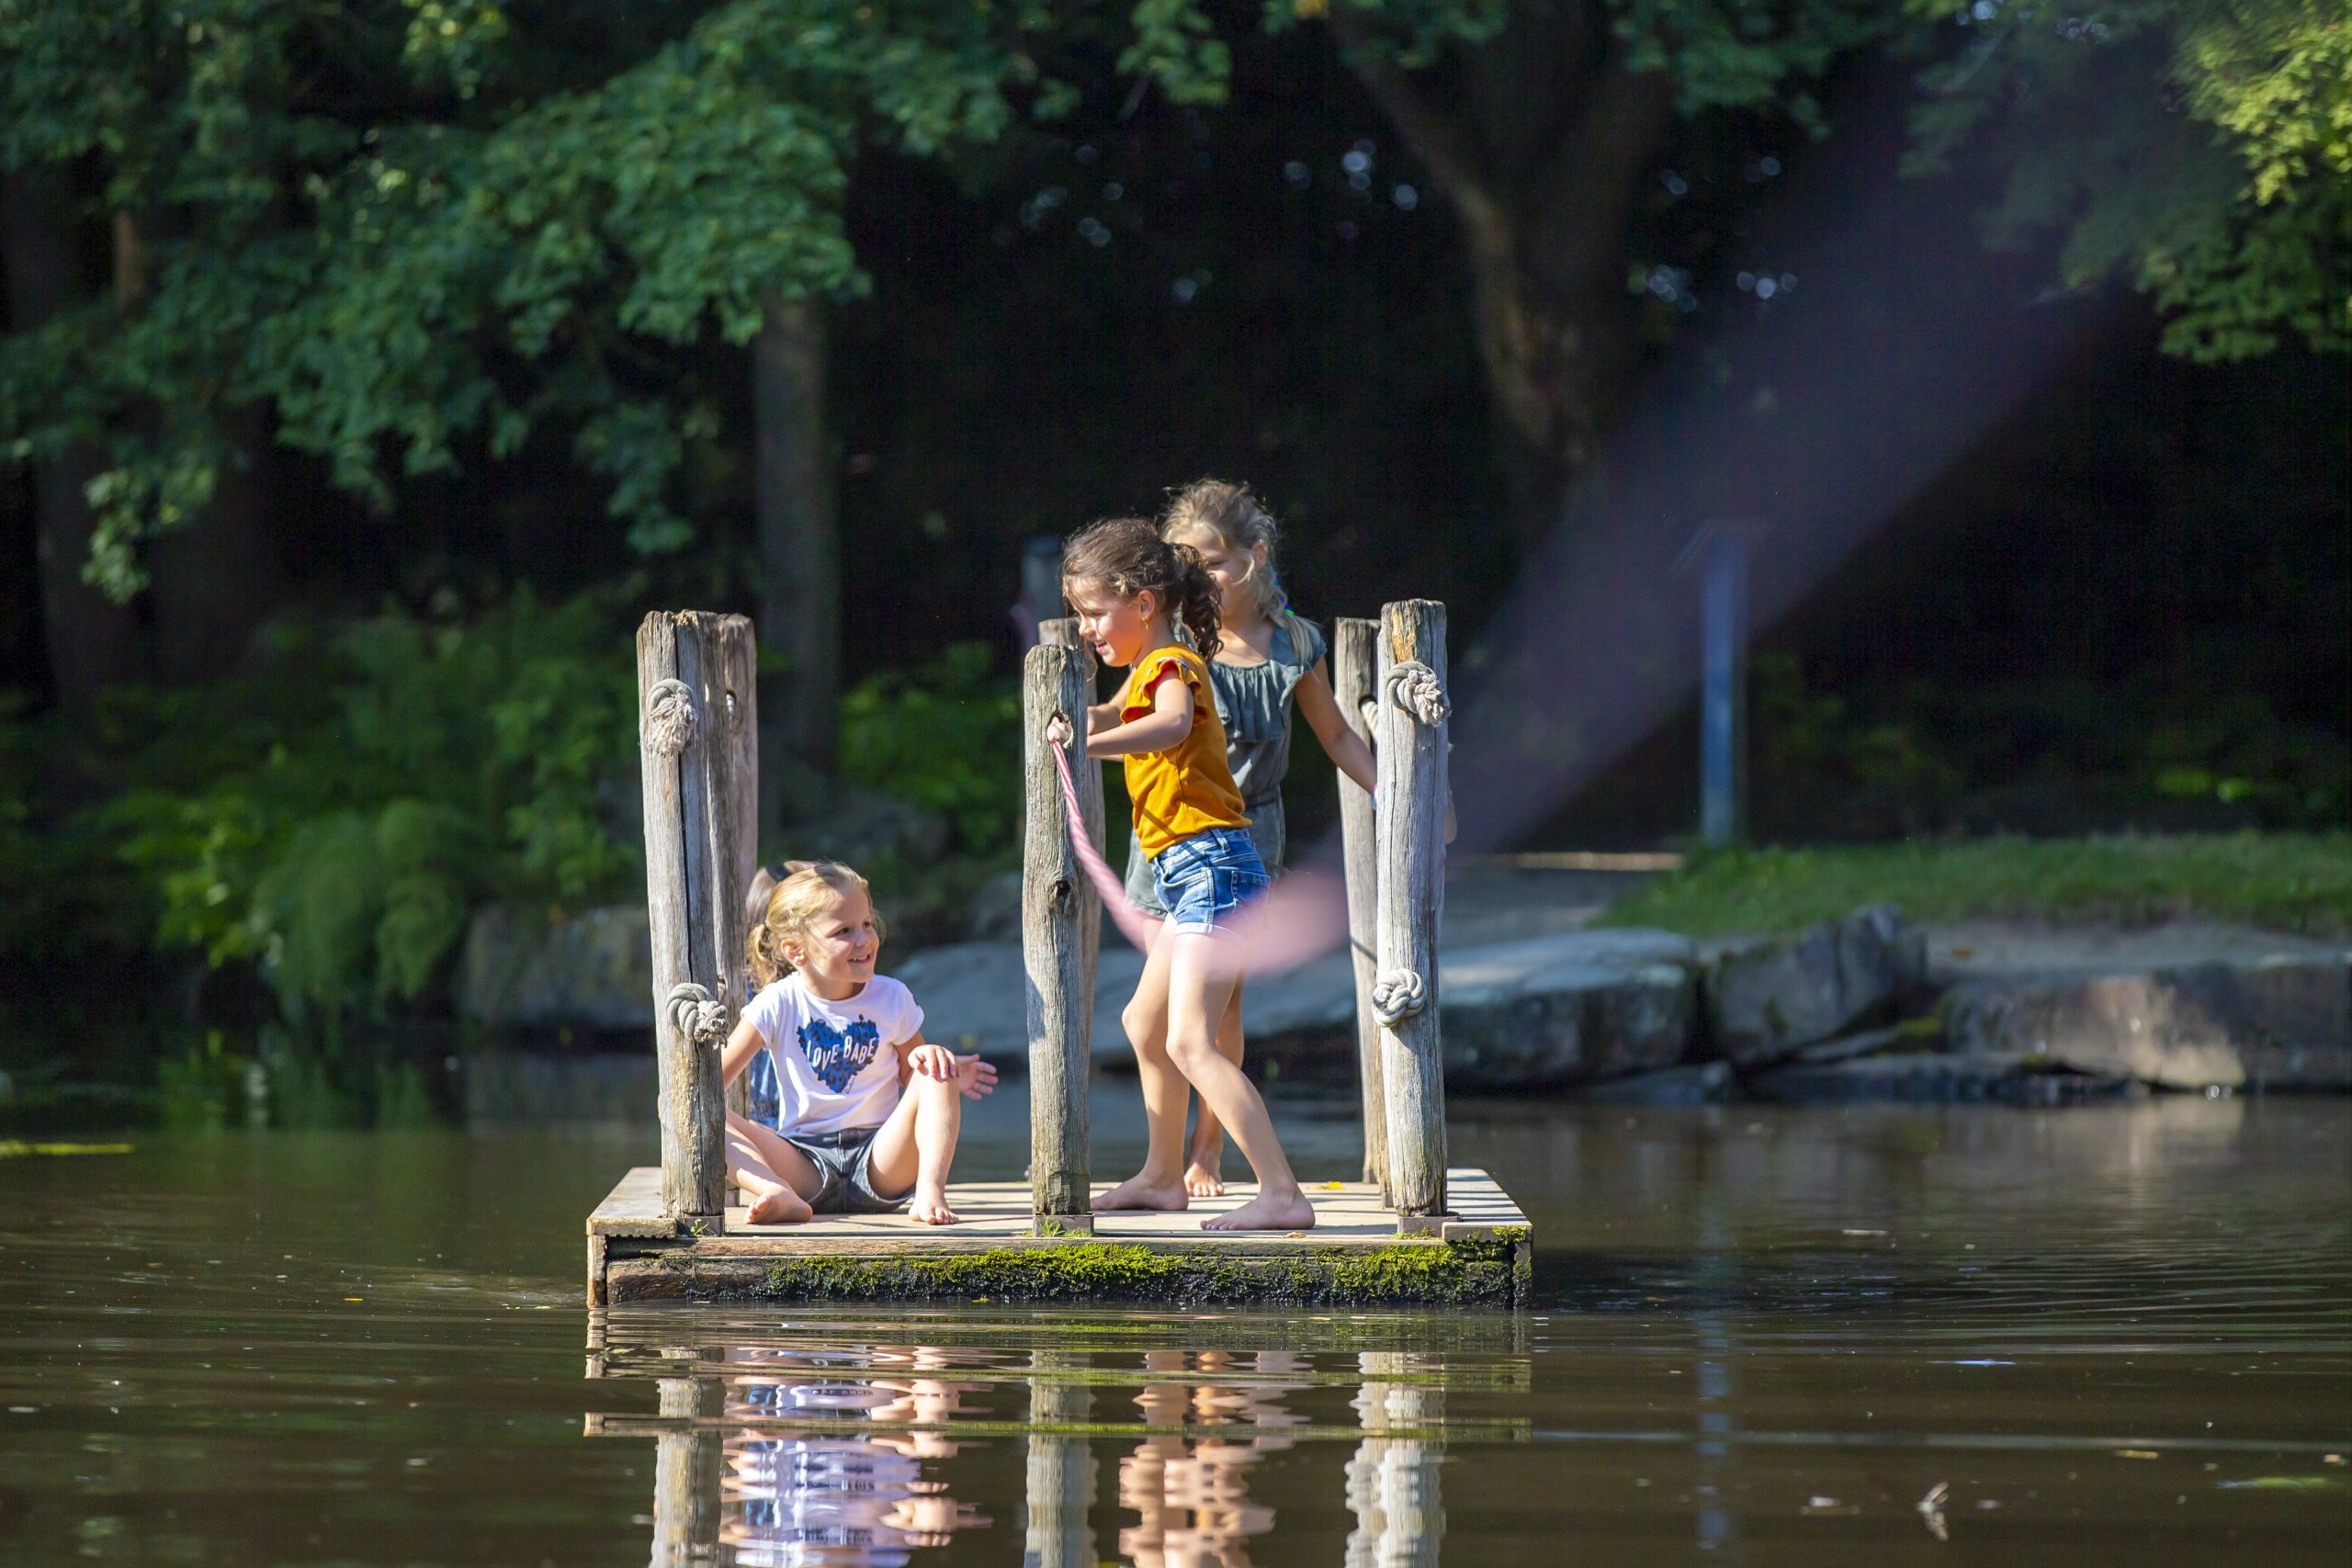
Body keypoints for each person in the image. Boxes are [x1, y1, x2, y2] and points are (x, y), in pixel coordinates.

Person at [1048, 516, 1316, 1232]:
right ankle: (1164, 1176)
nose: (1088, 631)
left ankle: (1281, 1191)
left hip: (1216, 868)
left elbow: (1168, 725)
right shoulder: (1142, 671)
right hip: (1185, 872)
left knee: (1189, 1039)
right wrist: (1075, 709)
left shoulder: (1175, 666)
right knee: (1144, 1021)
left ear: (1143, 603)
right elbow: (1107, 710)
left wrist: (1091, 739)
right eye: (1079, 616)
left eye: (1095, 614)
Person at [1125, 479, 1378, 1196]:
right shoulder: (1172, 641)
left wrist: (1400, 795)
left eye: (1215, 562)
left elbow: (1336, 736)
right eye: (1188, 564)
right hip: (1166, 845)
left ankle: (1209, 1150)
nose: (1202, 578)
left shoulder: (1292, 644)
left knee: (1217, 1008)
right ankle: (1162, 1165)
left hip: (1242, 844)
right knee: (1164, 1016)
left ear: (1255, 556)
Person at [718, 860, 995, 1226]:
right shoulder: (776, 1002)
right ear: (796, 952)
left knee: (934, 1067)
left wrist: (937, 1063)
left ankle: (930, 1191)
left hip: (880, 1161)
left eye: (866, 924)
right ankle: (772, 1189)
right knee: (684, 1105)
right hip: (804, 1166)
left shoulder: (892, 997)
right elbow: (709, 1085)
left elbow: (918, 1082)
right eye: (843, 931)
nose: (864, 939)